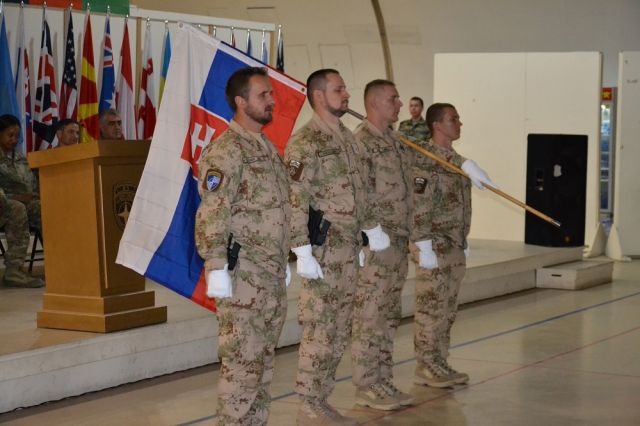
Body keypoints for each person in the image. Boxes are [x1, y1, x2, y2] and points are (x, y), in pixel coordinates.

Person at [285, 69, 389, 425]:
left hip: (348, 249)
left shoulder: (349, 139)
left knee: (341, 327)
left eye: (345, 88)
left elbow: (363, 191)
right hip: (323, 251)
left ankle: (322, 399)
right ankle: (309, 403)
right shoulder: (305, 143)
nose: (346, 94)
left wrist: (369, 229)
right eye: (338, 89)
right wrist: (301, 250)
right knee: (321, 327)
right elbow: (295, 199)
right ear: (318, 96)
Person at [194, 67, 291, 425]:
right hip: (243, 276)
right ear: (241, 101)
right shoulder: (226, 151)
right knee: (242, 365)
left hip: (269, 273)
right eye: (263, 95)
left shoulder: (265, 147)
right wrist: (215, 265)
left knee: (262, 364)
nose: (271, 100)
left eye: (270, 94)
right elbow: (213, 210)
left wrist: (284, 259)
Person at [411, 103, 495, 388]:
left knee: (447, 309)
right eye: (453, 119)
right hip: (434, 245)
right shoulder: (426, 160)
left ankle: (439, 360)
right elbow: (419, 206)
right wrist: (423, 245)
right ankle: (426, 365)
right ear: (436, 124)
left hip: (453, 245)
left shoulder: (456, 162)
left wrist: (463, 239)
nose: (459, 123)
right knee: (431, 309)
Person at [350, 79, 415, 411]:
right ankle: (366, 384)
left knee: (390, 314)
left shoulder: (395, 141)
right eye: (393, 98)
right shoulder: (361, 143)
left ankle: (383, 378)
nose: (400, 104)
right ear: (374, 102)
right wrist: (371, 231)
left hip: (398, 241)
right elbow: (358, 194)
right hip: (376, 244)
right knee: (370, 314)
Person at [0, 114, 44, 288]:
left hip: (21, 205)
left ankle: (60, 262)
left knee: (44, 207)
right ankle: (14, 271)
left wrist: (35, 195)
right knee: (17, 208)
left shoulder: (20, 158)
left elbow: (31, 185)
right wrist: (14, 198)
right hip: (4, 205)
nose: (14, 140)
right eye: (10, 135)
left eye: (17, 136)